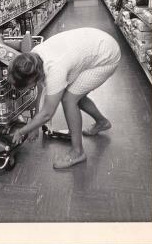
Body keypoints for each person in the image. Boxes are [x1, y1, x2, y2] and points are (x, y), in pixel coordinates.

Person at [9, 28, 121, 169]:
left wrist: (22, 130)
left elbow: (48, 113)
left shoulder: (55, 70)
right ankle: (102, 122)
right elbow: (40, 90)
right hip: (97, 41)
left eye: (23, 86)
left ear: (31, 80)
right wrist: (33, 126)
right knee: (75, 94)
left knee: (69, 99)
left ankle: (78, 152)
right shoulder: (34, 58)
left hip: (107, 55)